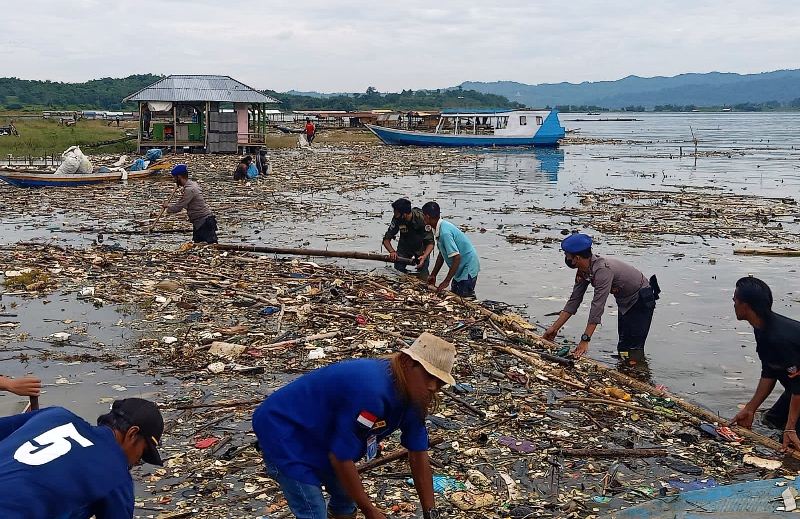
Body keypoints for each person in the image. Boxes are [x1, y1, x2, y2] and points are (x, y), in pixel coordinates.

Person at [253, 332, 454, 519]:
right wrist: (369, 510)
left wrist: (431, 512)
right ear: (408, 363)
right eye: (429, 376)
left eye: (440, 383)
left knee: (345, 499)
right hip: (283, 428)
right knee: (312, 508)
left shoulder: (415, 396)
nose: (432, 387)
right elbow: (341, 458)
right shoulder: (373, 393)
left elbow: (418, 453)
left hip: (324, 430)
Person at [0, 398, 164, 518]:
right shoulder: (115, 474)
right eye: (142, 454)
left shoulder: (55, 415)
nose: (136, 462)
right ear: (132, 434)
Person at [543, 233, 660, 361]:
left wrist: (585, 339)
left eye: (567, 255)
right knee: (624, 343)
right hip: (624, 301)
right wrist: (554, 328)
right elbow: (574, 300)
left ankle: (638, 374)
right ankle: (625, 368)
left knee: (633, 346)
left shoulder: (603, 270)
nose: (566, 258)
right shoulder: (584, 270)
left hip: (640, 299)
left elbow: (597, 306)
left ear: (576, 258)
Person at [730, 277, 800, 451]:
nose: (733, 304)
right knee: (772, 421)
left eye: (735, 300)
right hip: (795, 389)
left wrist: (790, 427)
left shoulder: (780, 338)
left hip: (799, 389)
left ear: (745, 305)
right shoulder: (761, 327)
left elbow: (799, 385)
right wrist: (750, 408)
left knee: (792, 438)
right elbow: (770, 371)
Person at [421, 201, 480, 298]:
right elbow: (442, 254)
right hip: (459, 269)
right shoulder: (437, 228)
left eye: (423, 216)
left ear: (427, 216)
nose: (423, 218)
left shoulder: (445, 233)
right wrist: (433, 274)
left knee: (464, 298)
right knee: (455, 294)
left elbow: (457, 257)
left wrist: (446, 281)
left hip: (468, 267)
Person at [164, 164, 218, 244]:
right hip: (199, 222)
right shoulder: (192, 184)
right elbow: (187, 204)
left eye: (175, 178)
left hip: (204, 222)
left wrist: (168, 208)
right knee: (198, 246)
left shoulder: (190, 189)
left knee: (211, 246)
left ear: (179, 177)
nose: (174, 180)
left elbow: (179, 207)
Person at [382, 198, 435, 278]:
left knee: (423, 274)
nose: (395, 215)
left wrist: (424, 256)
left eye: (396, 213)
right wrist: (392, 252)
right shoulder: (397, 219)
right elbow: (386, 239)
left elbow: (430, 243)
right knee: (398, 272)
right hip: (404, 247)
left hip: (421, 248)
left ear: (404, 214)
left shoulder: (422, 219)